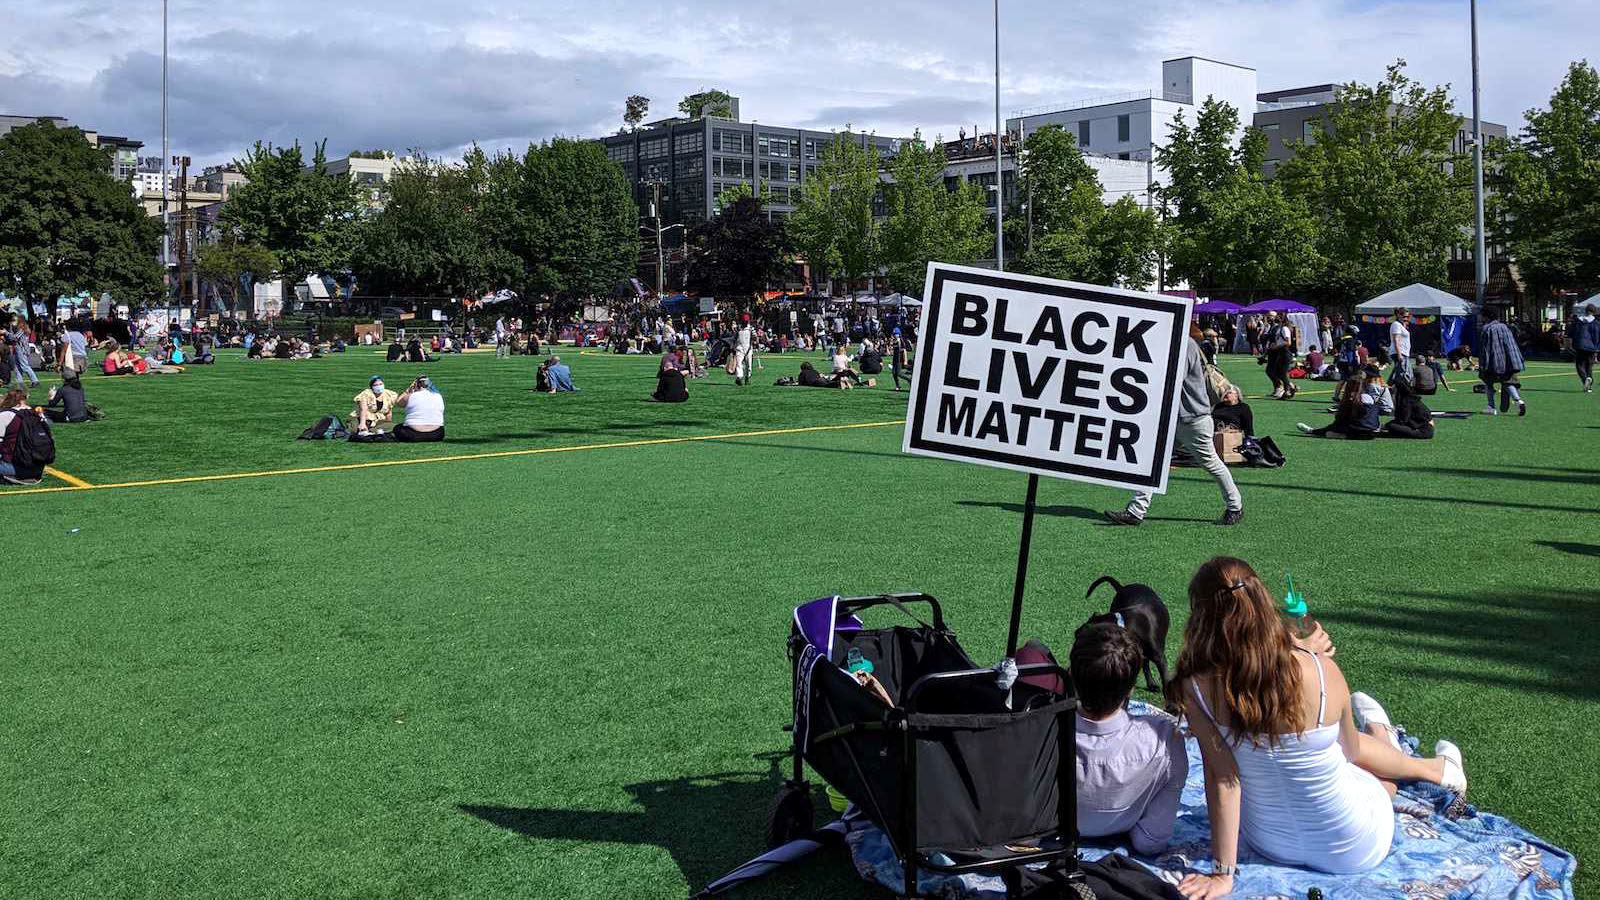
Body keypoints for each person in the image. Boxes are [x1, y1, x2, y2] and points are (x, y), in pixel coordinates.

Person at [1168, 558, 1465, 898]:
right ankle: (1416, 760)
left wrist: (1223, 876)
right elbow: (1351, 753)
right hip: (1355, 849)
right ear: (1264, 604)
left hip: (1270, 842)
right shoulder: (1322, 671)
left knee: (1343, 768)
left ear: (1202, 618)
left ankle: (1390, 746)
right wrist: (1304, 652)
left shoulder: (1195, 688)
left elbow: (1223, 781)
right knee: (1355, 761)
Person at [1106, 325, 1243, 526]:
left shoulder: (1185, 345)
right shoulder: (1178, 343)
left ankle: (1235, 506)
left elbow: (1173, 379)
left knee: (1211, 464)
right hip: (1177, 419)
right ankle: (1136, 511)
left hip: (1193, 418)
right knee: (1152, 463)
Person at [1071, 622, 1186, 854]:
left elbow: (1024, 832)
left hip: (1052, 831)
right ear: (1132, 688)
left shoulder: (1040, 732)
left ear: (1071, 675)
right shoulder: (1164, 738)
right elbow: (1151, 840)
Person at [1296, 372, 1382, 439]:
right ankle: (1315, 431)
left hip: (1360, 430)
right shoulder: (1368, 397)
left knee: (1331, 432)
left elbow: (1340, 421)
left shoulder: (1350, 399)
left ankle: (1313, 431)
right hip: (1374, 431)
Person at [1477, 307, 1526, 416]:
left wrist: (1483, 365)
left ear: (1486, 317)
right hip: (1509, 360)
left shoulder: (1486, 329)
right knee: (1508, 381)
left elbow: (1485, 349)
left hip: (1494, 361)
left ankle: (1491, 406)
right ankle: (1518, 401)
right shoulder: (1505, 327)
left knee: (1488, 381)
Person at [0, 388, 46, 484]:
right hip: (38, 469)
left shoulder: (5, 415)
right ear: (26, 398)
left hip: (13, 468)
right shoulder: (39, 415)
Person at [392, 376, 445, 441]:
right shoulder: (438, 396)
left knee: (397, 428)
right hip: (437, 434)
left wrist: (407, 391)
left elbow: (398, 402)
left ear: (416, 385)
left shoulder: (410, 395)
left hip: (413, 434)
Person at [1263, 312, 1296, 399]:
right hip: (1280, 353)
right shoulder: (1279, 328)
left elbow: (1288, 342)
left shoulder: (1284, 328)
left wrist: (1276, 346)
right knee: (1279, 373)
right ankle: (1290, 388)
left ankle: (1287, 391)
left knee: (1283, 373)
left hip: (1285, 353)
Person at [1571, 302, 1599, 393]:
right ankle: (1589, 386)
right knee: (1589, 366)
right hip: (1591, 347)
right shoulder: (1596, 323)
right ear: (1594, 312)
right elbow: (1597, 336)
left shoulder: (1578, 321)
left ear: (1585, 310)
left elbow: (1572, 333)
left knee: (1579, 365)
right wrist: (1596, 347)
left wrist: (1573, 344)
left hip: (1580, 345)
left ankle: (1585, 379)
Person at [6, 323, 40, 388]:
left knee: (25, 366)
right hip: (19, 349)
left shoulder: (21, 330)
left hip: (21, 350)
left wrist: (6, 332)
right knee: (18, 367)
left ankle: (35, 381)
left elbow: (14, 338)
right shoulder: (21, 330)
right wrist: (10, 329)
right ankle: (19, 382)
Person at [1388, 307, 1414, 386]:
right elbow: (1396, 340)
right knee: (1402, 373)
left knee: (1399, 372)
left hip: (1404, 352)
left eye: (1407, 317)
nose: (1405, 318)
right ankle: (1393, 388)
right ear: (1398, 315)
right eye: (1404, 316)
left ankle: (1389, 387)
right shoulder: (1396, 324)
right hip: (1400, 352)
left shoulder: (1402, 325)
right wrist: (1399, 354)